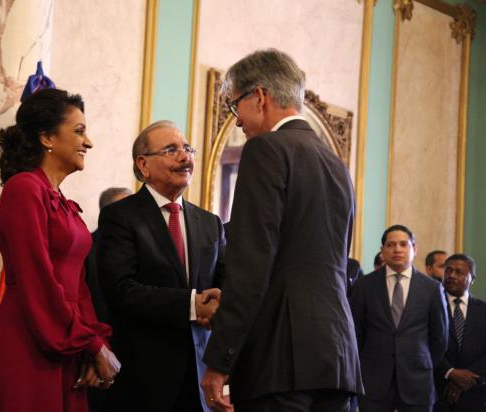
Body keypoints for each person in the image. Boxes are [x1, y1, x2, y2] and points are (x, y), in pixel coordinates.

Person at [201, 48, 362, 412]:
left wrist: (219, 360)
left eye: (234, 105)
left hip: (280, 358)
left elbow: (250, 265)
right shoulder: (336, 164)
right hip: (337, 359)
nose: (237, 120)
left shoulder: (265, 150)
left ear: (258, 97)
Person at [0, 88, 120, 412]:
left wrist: (93, 342)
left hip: (64, 344)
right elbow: (38, 279)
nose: (88, 142)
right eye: (79, 131)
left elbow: (80, 289)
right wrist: (90, 345)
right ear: (47, 137)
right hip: (27, 347)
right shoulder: (24, 189)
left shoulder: (60, 199)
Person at [97, 120, 225, 412]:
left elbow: (224, 286)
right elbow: (121, 290)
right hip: (143, 381)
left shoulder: (210, 223)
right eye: (171, 150)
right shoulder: (121, 217)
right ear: (143, 164)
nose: (185, 157)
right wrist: (193, 305)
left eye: (187, 149)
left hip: (201, 377)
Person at [350, 224, 448, 411]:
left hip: (417, 379)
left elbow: (440, 337)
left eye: (404, 244)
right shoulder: (364, 286)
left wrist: (420, 360)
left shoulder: (432, 288)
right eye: (391, 245)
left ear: (414, 249)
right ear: (382, 251)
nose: (397, 249)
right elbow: (356, 332)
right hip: (374, 380)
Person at [86, 186, 131, 412]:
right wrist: (96, 351)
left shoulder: (141, 247)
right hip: (99, 355)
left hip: (136, 358)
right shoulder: (86, 247)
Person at [435, 254, 486, 411]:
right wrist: (451, 373)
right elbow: (424, 344)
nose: (451, 275)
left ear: (472, 279)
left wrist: (467, 379)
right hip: (438, 390)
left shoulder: (483, 310)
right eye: (448, 270)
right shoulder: (431, 306)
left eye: (459, 272)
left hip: (475, 393)